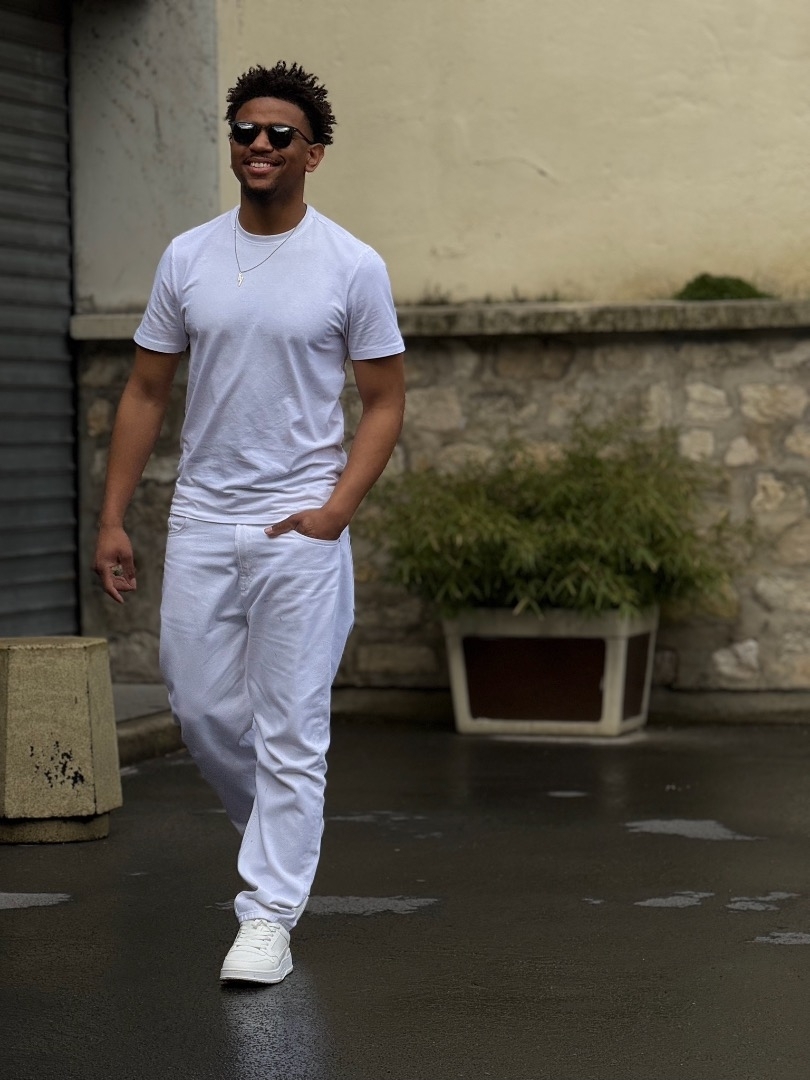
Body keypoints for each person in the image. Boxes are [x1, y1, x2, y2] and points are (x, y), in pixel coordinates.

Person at [93, 61, 405, 985]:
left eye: (278, 134)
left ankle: (268, 912)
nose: (258, 145)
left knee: (292, 728)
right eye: (244, 130)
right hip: (202, 519)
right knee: (200, 709)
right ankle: (278, 834)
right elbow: (146, 390)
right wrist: (113, 518)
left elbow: (384, 402)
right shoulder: (188, 256)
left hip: (299, 526)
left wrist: (336, 511)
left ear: (314, 153)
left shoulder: (351, 264)